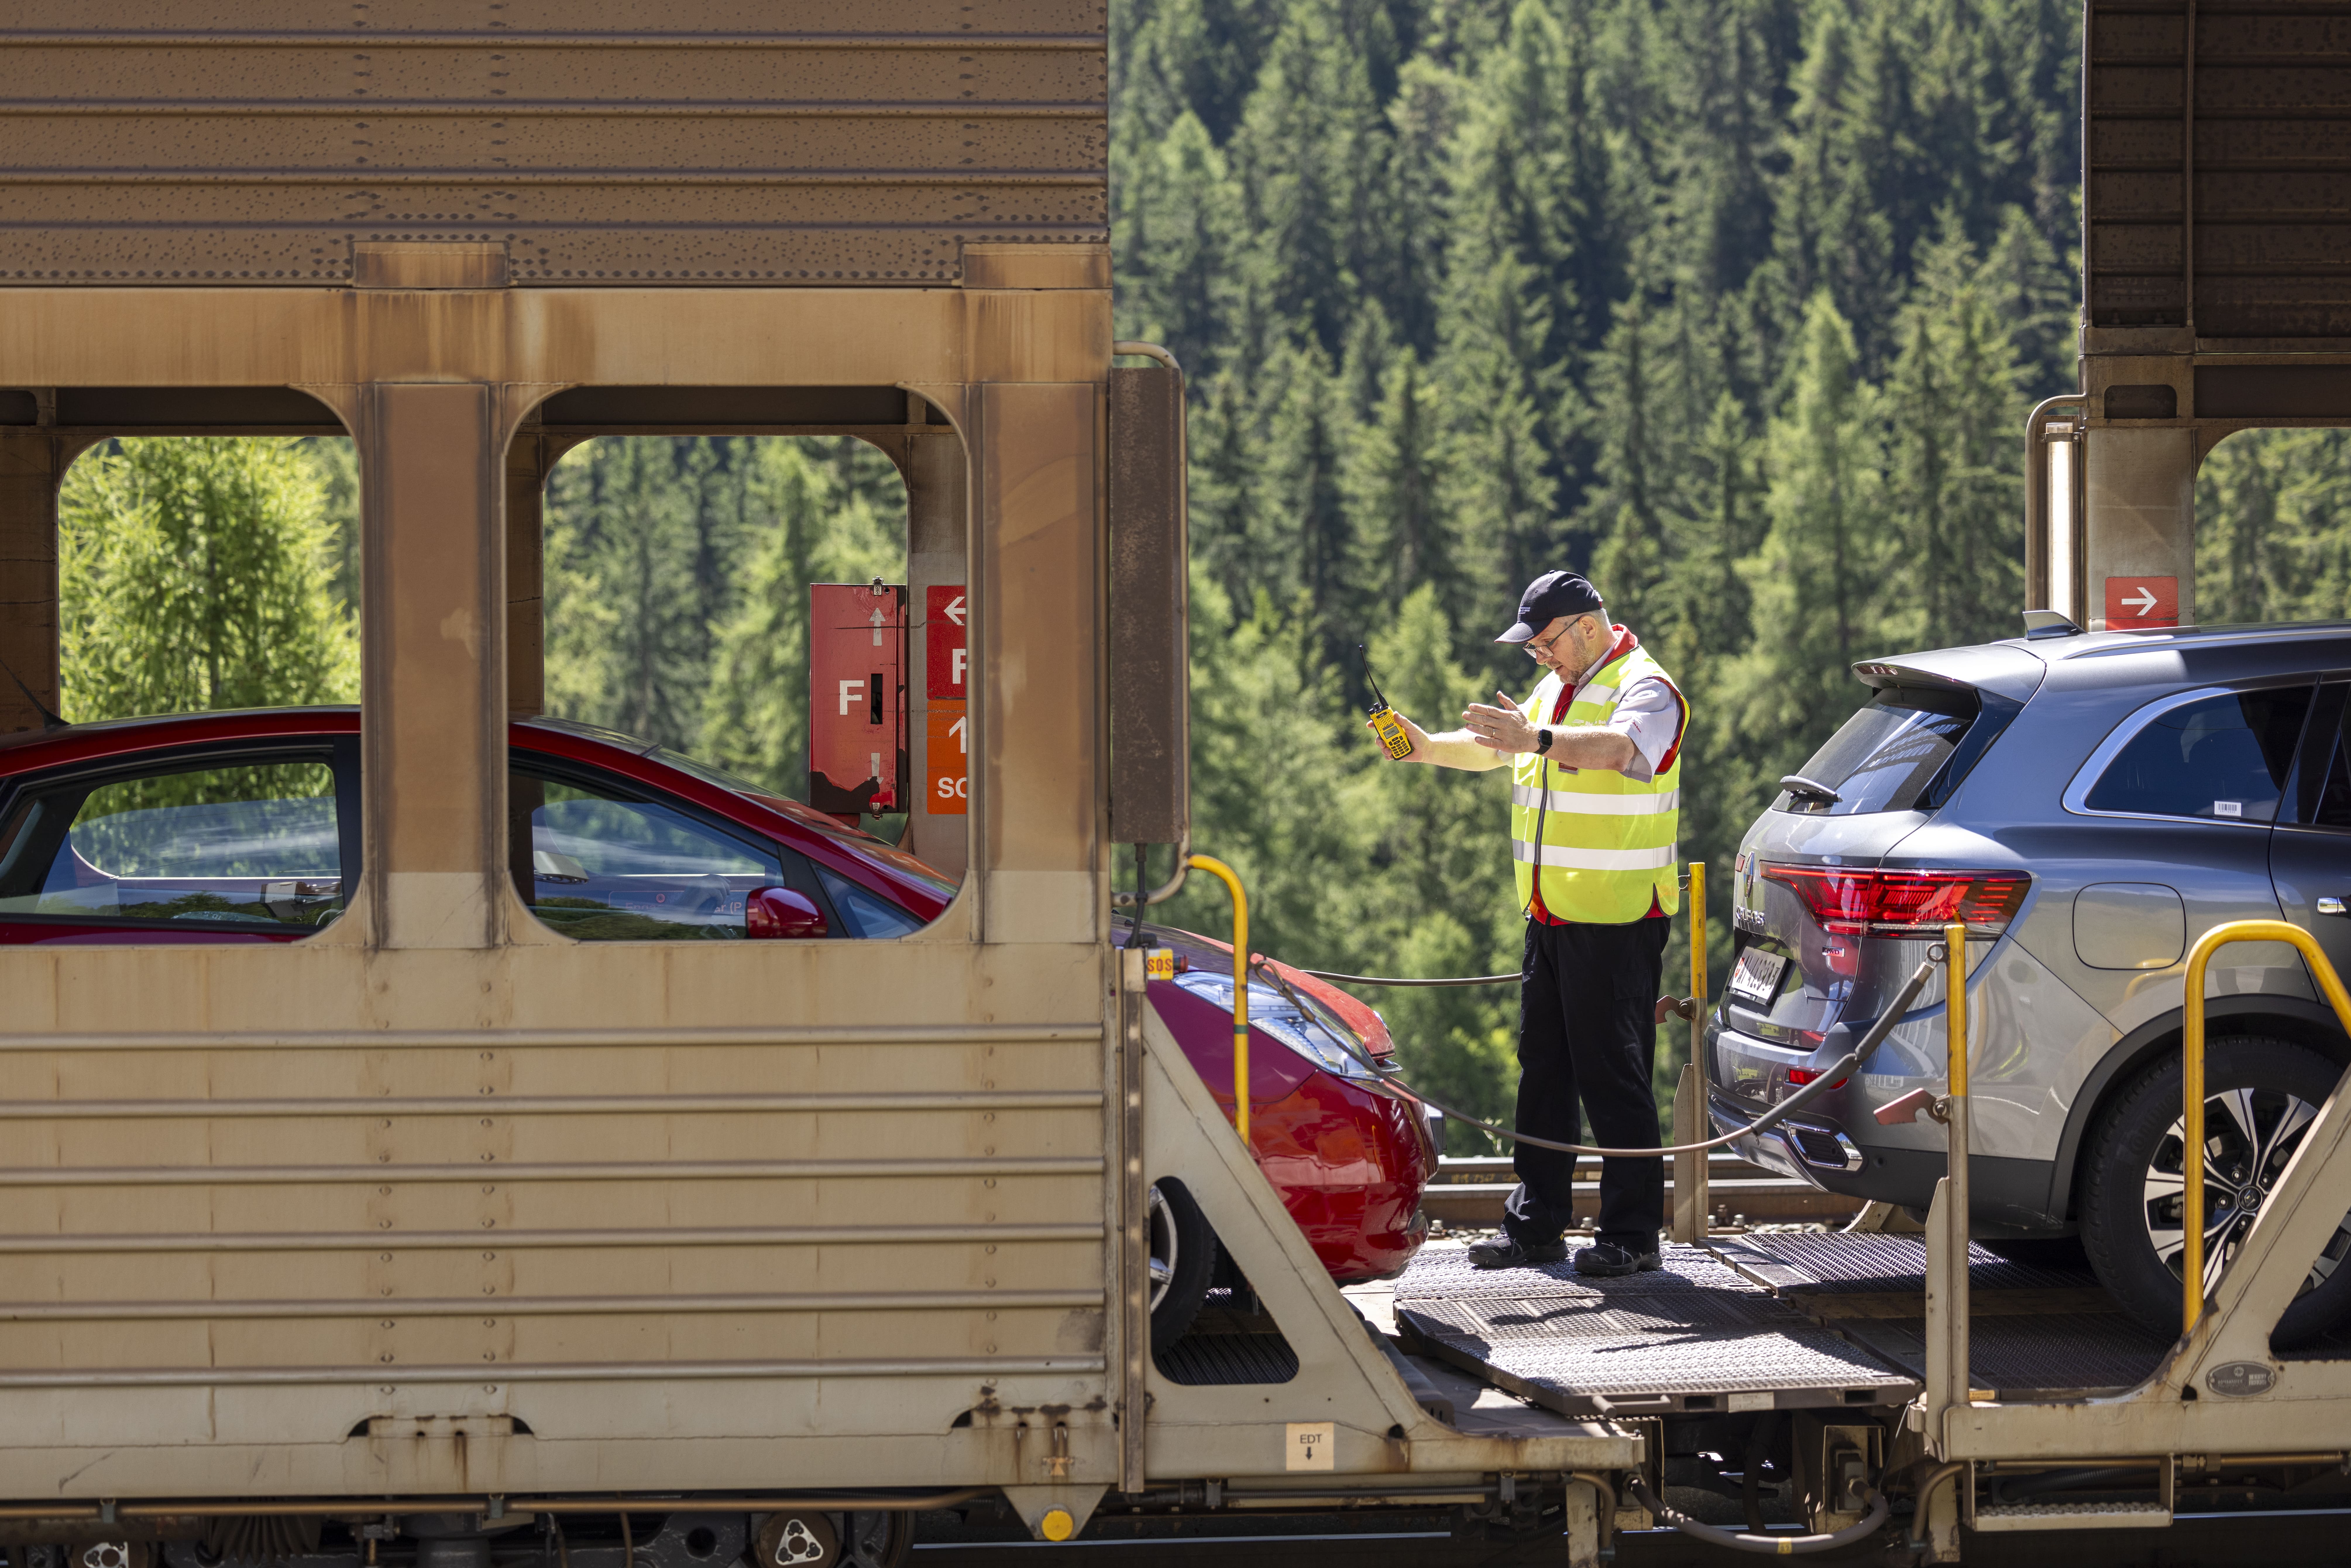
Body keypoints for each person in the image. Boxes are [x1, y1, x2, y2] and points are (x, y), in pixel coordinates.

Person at [1375, 570, 1687, 1275]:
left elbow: (1615, 750)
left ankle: (1632, 1234)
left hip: (1615, 914)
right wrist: (1424, 745)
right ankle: (1535, 1224)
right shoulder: (1559, 687)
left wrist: (1537, 736)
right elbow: (1498, 748)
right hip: (1550, 914)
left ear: (1585, 625)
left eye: (1544, 643)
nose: (1539, 657)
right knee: (1541, 1070)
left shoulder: (1647, 686)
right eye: (1532, 649)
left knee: (1614, 1075)